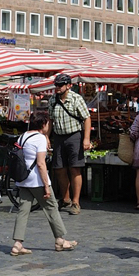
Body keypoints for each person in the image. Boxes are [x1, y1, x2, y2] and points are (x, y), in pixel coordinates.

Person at [9, 112, 77, 256]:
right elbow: (41, 163)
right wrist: (46, 185)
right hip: (37, 180)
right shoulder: (39, 138)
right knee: (51, 207)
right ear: (43, 124)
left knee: (23, 210)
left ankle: (17, 243)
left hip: (23, 179)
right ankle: (60, 240)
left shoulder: (23, 136)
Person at [48, 74, 92, 213]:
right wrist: (46, 137)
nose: (57, 87)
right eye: (56, 85)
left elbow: (87, 118)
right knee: (59, 169)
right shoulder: (53, 99)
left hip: (74, 136)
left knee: (75, 169)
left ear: (68, 86)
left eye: (60, 85)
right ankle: (65, 198)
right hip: (58, 137)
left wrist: (86, 139)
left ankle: (76, 202)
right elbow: (50, 120)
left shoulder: (76, 99)